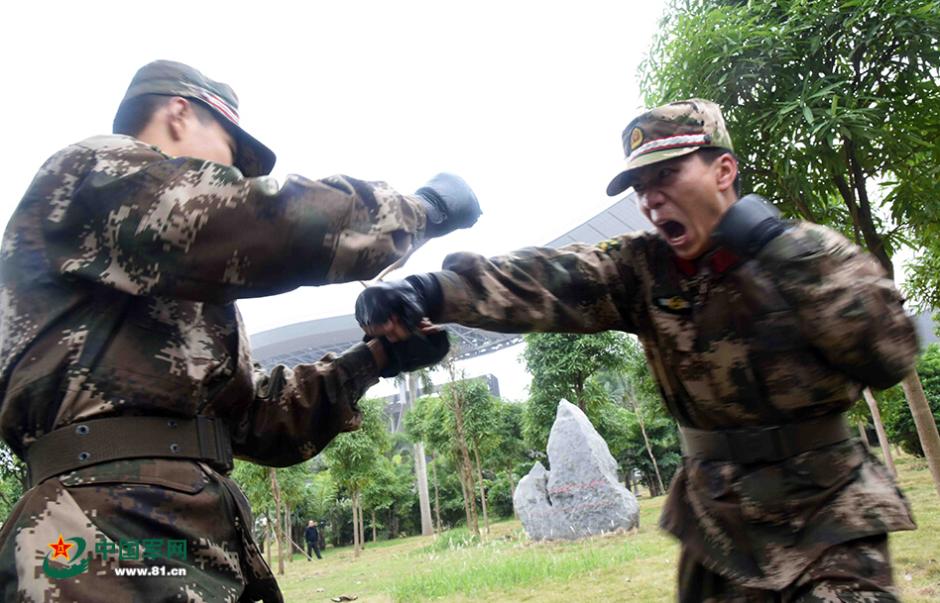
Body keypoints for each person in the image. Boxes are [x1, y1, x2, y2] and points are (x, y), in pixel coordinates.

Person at [356, 99, 920, 601]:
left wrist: (780, 252)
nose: (650, 198)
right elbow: (547, 278)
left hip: (829, 514)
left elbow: (888, 356)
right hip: (717, 527)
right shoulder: (643, 269)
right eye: (640, 186)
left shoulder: (810, 251)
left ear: (724, 170)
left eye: (668, 174)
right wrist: (428, 290)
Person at [0, 60, 479, 602]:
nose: (237, 174)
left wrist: (378, 357)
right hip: (98, 533)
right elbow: (261, 220)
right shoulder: (94, 169)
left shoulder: (169, 285)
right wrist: (422, 210)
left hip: (183, 529)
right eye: (232, 151)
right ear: (179, 113)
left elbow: (253, 422)